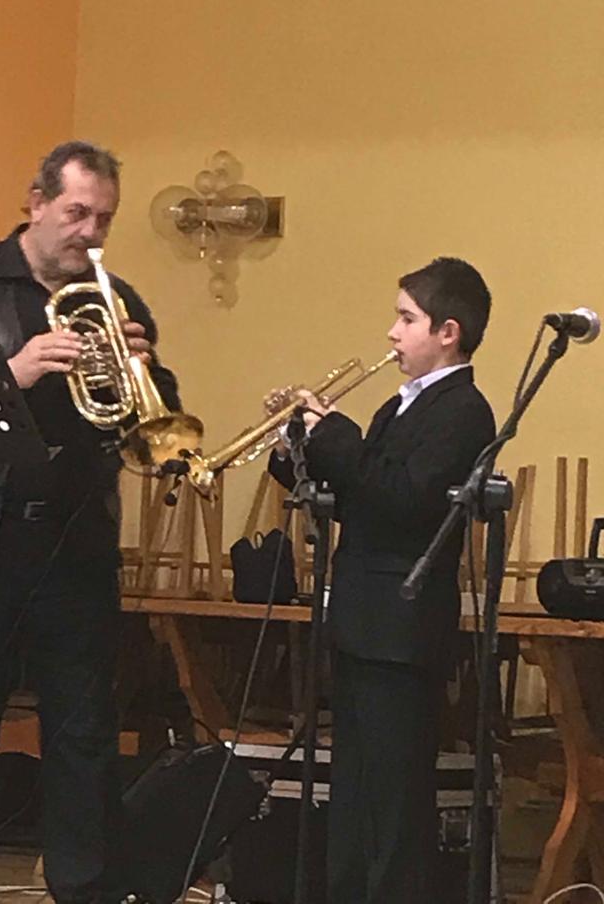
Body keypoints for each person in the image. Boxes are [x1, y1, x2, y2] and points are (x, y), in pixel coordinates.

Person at [0, 141, 182, 904]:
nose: (90, 233)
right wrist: (16, 373)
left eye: (104, 219)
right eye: (77, 213)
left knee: (83, 730)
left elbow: (149, 425)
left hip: (74, 541)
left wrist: (143, 372)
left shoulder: (116, 298)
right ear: (36, 203)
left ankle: (83, 888)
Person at [269, 257, 495, 904]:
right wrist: (295, 450)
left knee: (394, 804)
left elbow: (405, 499)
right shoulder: (399, 407)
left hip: (402, 627)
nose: (392, 333)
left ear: (448, 332)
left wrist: (334, 432)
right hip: (363, 620)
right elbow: (359, 496)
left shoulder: (463, 410)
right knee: (354, 795)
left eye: (406, 319)